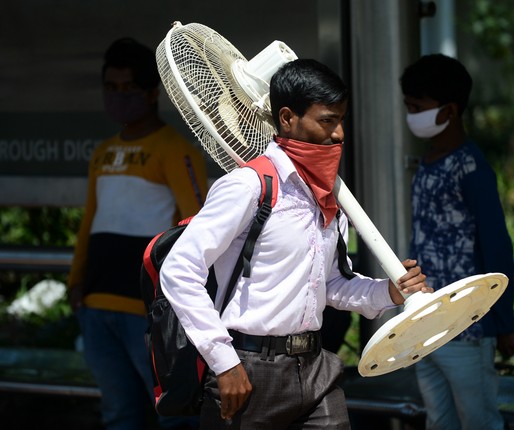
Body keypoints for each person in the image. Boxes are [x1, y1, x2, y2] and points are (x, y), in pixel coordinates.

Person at [159, 58, 431, 430]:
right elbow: (178, 270)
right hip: (249, 368)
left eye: (341, 120)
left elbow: (332, 285)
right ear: (287, 119)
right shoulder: (249, 186)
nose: (339, 135)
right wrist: (225, 362)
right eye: (327, 120)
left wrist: (390, 293)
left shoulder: (330, 196)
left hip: (316, 366)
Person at [67, 37, 209, 430]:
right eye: (110, 88)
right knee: (119, 415)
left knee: (174, 414)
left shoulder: (174, 149)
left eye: (127, 88)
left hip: (148, 308)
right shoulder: (102, 152)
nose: (118, 97)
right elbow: (89, 222)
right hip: (97, 303)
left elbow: (198, 226)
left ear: (151, 92)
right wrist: (77, 280)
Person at [399, 53, 514, 430]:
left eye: (418, 106)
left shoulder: (471, 167)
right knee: (439, 421)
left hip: (468, 328)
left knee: (479, 421)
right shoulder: (428, 161)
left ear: (449, 110)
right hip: (426, 324)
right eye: (408, 106)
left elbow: (497, 247)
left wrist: (503, 325)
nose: (410, 114)